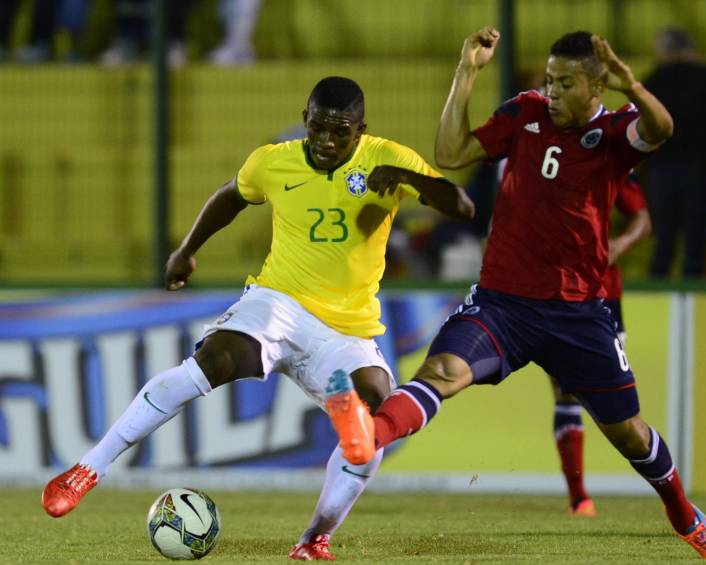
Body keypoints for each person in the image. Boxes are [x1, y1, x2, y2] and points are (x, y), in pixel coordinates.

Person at [325, 29, 706, 560]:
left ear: (597, 87)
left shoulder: (614, 133)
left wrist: (632, 80)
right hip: (504, 303)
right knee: (442, 373)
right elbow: (450, 153)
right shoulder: (526, 114)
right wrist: (466, 70)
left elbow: (663, 127)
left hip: (579, 313)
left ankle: (685, 518)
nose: (552, 91)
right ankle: (366, 439)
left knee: (630, 434)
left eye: (565, 83)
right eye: (549, 79)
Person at [41, 76, 474, 561]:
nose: (329, 141)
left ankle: (314, 540)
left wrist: (409, 179)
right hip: (278, 303)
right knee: (214, 360)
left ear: (362, 129)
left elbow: (463, 207)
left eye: (342, 132)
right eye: (320, 129)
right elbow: (230, 196)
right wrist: (186, 252)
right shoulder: (272, 161)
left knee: (377, 414)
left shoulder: (388, 158)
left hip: (347, 327)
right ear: (305, 119)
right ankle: (87, 469)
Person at [548, 173, 651, 517]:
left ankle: (666, 488)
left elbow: (642, 218)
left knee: (613, 406)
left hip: (603, 293)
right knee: (565, 391)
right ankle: (579, 498)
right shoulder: (533, 152)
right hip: (553, 291)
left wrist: (616, 248)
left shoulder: (606, 153)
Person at [642, 27, 706, 278]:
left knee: (663, 239)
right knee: (696, 241)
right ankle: (692, 289)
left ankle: (657, 291)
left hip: (663, 168)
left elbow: (641, 126)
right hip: (702, 168)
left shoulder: (653, 81)